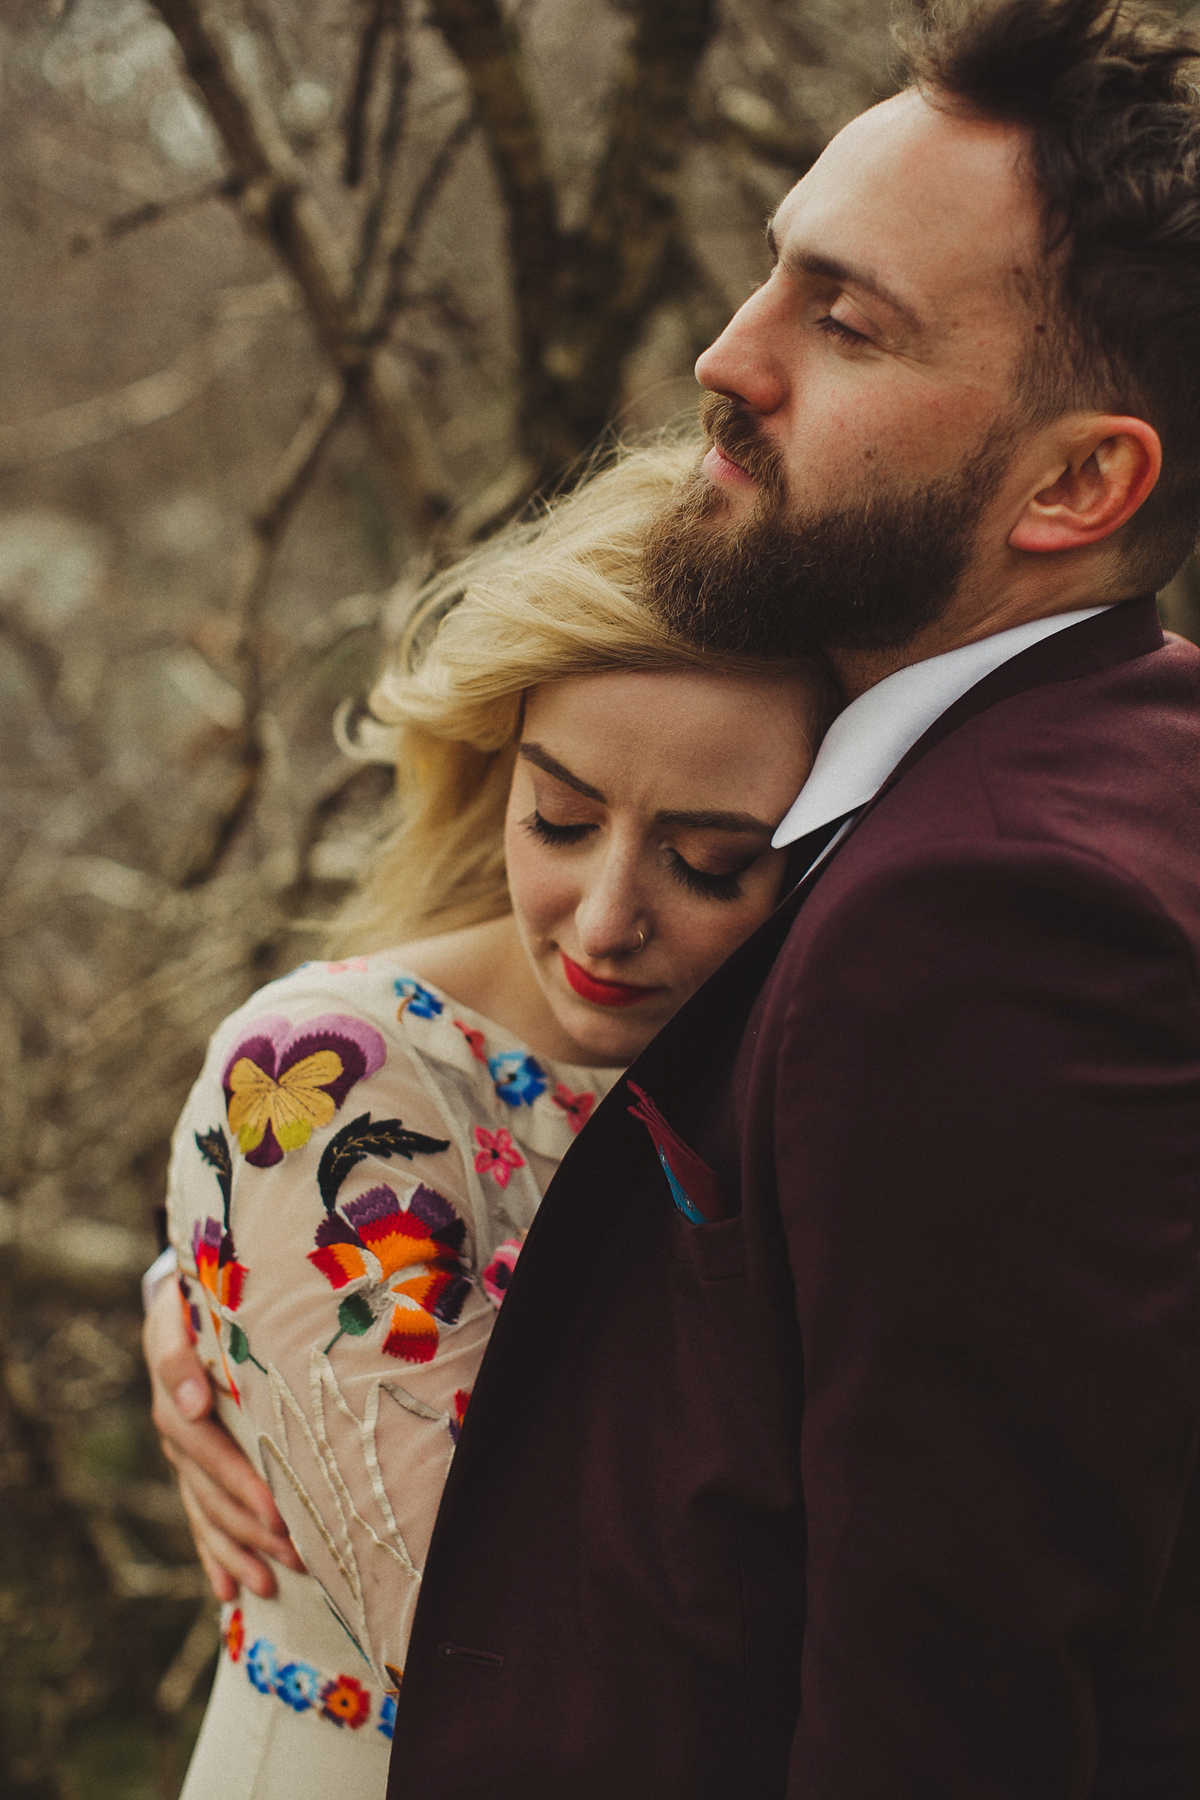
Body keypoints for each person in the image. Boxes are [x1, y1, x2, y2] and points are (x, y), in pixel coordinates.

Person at [366, 0, 1200, 1794]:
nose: (727, 359)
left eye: (847, 319)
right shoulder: (1111, 764)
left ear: (1076, 482)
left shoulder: (999, 916)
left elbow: (954, 1705)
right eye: (773, 276)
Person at [151, 440, 833, 1798]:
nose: (605, 919)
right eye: (560, 818)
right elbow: (475, 1640)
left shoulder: (811, 1068)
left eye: (710, 864)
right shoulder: (324, 1077)